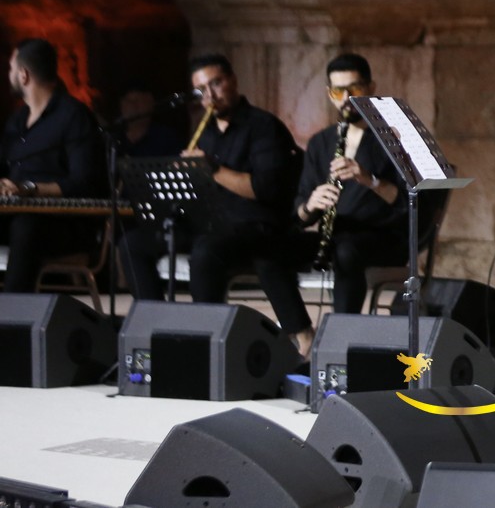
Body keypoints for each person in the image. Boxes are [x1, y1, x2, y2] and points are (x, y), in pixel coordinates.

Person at [117, 54, 315, 356]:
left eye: (216, 83)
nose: (209, 95)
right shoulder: (207, 131)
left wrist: (210, 168)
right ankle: (156, 329)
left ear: (233, 81)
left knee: (206, 250)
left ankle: (208, 342)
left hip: (256, 226)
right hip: (212, 223)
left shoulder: (263, 126)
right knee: (132, 244)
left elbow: (264, 189)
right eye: (201, 90)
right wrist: (184, 180)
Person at [295, 53, 408, 314]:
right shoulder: (320, 142)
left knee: (346, 252)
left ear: (371, 88)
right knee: (272, 250)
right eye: (338, 91)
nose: (346, 98)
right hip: (335, 236)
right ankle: (300, 329)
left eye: (354, 89)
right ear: (329, 94)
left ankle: (343, 330)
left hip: (382, 238)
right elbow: (300, 212)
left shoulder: (394, 138)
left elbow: (406, 202)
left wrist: (370, 180)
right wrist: (311, 204)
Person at [0, 38, 105, 292]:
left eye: (11, 68)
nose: (8, 74)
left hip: (62, 223)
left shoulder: (73, 116)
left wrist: (28, 189)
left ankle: (12, 313)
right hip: (12, 215)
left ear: (24, 75)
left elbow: (85, 182)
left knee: (26, 227)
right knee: (21, 224)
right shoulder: (17, 122)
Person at [115, 86, 186, 157]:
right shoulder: (114, 138)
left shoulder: (166, 138)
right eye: (128, 101)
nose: (133, 106)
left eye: (138, 101)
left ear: (150, 103)